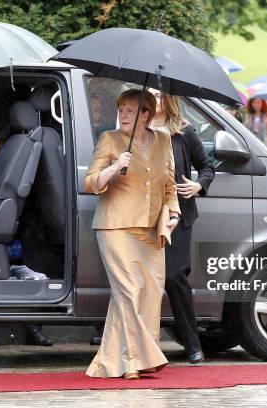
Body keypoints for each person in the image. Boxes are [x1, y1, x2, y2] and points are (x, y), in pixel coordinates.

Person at [84, 89, 180, 379]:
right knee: (129, 291)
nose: (123, 115)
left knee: (149, 293)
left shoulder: (163, 140)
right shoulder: (110, 140)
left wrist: (174, 213)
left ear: (146, 115)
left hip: (151, 230)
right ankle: (138, 360)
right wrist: (115, 166)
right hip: (115, 227)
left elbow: (170, 185)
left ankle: (115, 362)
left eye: (130, 110)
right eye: (120, 110)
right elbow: (90, 182)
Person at [149, 88, 215, 364]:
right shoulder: (137, 130)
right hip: (142, 213)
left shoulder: (183, 132)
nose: (155, 99)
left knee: (175, 276)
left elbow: (207, 166)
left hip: (178, 213)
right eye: (150, 95)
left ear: (169, 100)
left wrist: (199, 185)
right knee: (140, 279)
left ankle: (192, 343)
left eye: (159, 95)